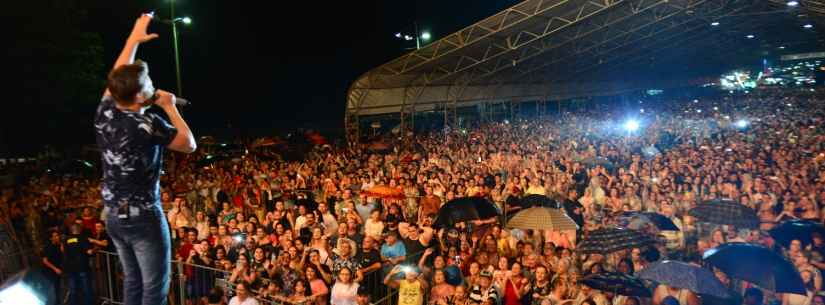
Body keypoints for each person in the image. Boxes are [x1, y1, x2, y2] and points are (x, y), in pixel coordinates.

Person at [95, 12, 196, 305]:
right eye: (149, 82)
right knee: (154, 289)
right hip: (144, 218)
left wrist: (133, 39)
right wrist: (169, 106)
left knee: (133, 283)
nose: (153, 84)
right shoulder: (147, 124)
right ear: (140, 95)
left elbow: (118, 75)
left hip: (114, 214)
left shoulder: (105, 113)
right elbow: (188, 144)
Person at [64, 223, 94, 305]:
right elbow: (89, 251)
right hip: (82, 267)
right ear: (79, 229)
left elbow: (64, 251)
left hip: (71, 268)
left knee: (73, 289)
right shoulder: (83, 238)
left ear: (71, 230)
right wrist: (95, 249)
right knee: (86, 289)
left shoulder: (66, 239)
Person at [42, 230, 64, 305]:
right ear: (51, 238)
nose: (56, 237)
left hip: (57, 271)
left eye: (57, 235)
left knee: (57, 289)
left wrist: (61, 246)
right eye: (54, 236)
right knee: (52, 290)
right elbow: (45, 261)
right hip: (49, 271)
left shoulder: (60, 245)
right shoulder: (48, 247)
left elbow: (63, 255)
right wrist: (55, 269)